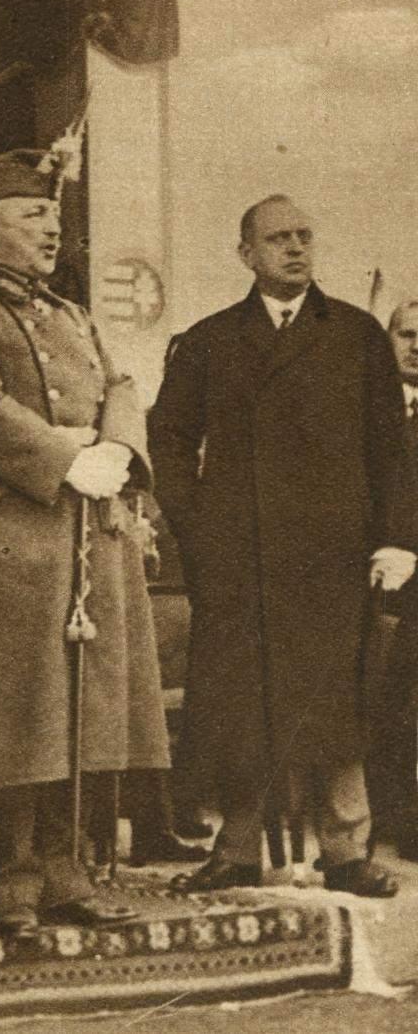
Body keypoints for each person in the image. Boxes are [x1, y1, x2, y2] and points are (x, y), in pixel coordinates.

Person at [0, 148, 170, 940]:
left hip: (86, 533)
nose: (52, 229)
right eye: (33, 215)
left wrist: (117, 450)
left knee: (79, 708)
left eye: (54, 216)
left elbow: (120, 384)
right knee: (15, 711)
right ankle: (11, 882)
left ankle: (66, 873)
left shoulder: (71, 313)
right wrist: (65, 458)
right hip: (4, 540)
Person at [149, 194, 414, 897]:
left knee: (337, 701)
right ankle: (236, 850)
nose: (296, 248)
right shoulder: (209, 340)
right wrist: (197, 527)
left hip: (335, 556)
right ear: (247, 254)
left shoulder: (357, 336)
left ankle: (347, 852)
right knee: (243, 703)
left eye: (304, 235)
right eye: (278, 238)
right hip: (242, 559)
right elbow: (168, 439)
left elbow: (392, 451)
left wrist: (396, 540)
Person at [369, 299, 418, 861]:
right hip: (369, 574)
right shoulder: (363, 410)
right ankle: (378, 812)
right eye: (407, 334)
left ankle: (405, 817)